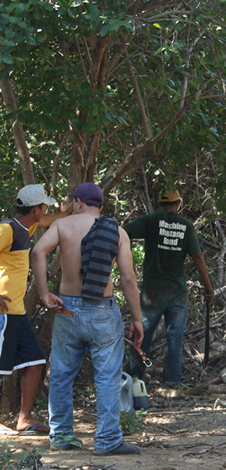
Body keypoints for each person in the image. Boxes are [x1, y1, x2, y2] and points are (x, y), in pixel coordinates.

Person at [31, 182, 144, 454]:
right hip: (102, 311)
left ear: (78, 202)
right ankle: (107, 441)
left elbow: (37, 252)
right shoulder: (116, 232)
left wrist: (45, 293)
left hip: (66, 309)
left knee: (60, 375)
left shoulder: (63, 225)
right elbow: (128, 279)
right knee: (107, 377)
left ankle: (61, 437)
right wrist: (137, 319)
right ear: (101, 206)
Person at [0, 184, 73, 436]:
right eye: (44, 207)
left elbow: (47, 221)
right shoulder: (7, 229)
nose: (45, 211)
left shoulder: (26, 225)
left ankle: (24, 419)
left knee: (35, 360)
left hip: (17, 312)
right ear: (36, 209)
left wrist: (67, 213)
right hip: (3, 312)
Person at [124, 190, 213, 383]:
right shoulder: (186, 226)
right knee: (175, 337)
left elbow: (124, 231)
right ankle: (172, 381)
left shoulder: (150, 220)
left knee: (143, 335)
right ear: (178, 203)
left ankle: (134, 378)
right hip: (177, 290)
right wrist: (208, 286)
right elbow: (197, 256)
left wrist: (123, 260)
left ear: (159, 203)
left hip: (152, 289)